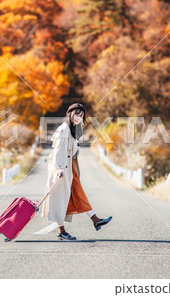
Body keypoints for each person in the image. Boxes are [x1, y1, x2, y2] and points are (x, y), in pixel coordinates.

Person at [41, 103, 112, 240]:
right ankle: (61, 231)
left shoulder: (73, 129)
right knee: (60, 200)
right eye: (76, 114)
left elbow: (72, 150)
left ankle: (95, 219)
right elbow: (58, 152)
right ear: (70, 114)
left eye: (81, 115)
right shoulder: (64, 129)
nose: (78, 118)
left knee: (78, 193)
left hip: (69, 168)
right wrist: (59, 169)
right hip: (61, 169)